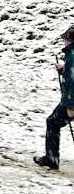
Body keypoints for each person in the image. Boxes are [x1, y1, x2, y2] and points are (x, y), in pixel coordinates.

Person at [35, 25, 74, 170]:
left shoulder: (72, 55)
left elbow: (73, 81)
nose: (64, 42)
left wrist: (71, 106)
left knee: (53, 122)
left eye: (65, 39)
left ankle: (52, 158)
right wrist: (63, 69)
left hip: (71, 100)